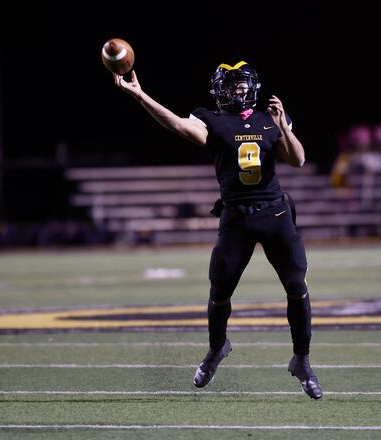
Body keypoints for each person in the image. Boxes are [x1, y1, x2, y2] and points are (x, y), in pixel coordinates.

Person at [112, 61, 322, 399]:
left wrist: (284, 125)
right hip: (236, 217)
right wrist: (140, 96)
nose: (237, 90)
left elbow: (296, 159)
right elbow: (177, 125)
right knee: (220, 291)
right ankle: (217, 347)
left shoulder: (272, 117)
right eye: (230, 85)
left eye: (241, 84)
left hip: (275, 214)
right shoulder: (211, 119)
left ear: (251, 87)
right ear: (220, 91)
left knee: (297, 286)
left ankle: (302, 359)